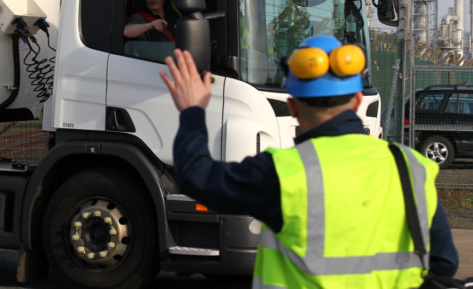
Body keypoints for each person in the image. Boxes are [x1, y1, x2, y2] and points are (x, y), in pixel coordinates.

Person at [159, 36, 459, 288]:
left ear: (292, 107)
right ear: (357, 100)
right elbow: (445, 264)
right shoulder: (411, 167)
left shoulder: (283, 172)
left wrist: (193, 111)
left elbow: (196, 176)